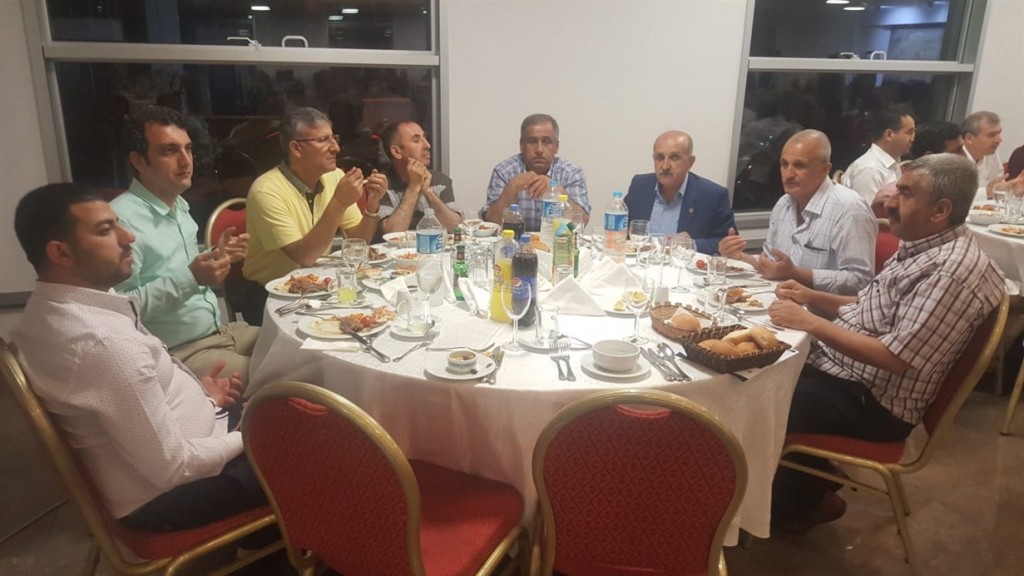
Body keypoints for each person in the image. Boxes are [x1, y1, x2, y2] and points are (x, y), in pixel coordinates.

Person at [766, 154, 1005, 532]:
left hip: (873, 402)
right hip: (849, 375)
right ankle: (806, 482)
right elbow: (869, 305)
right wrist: (811, 298)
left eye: (905, 194)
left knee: (763, 395)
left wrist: (809, 322)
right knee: (762, 365)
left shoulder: (950, 271)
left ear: (940, 210)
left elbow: (895, 357)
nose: (889, 201)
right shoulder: (924, 246)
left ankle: (792, 505)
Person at [11, 183, 269, 533]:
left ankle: (268, 534)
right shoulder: (100, 343)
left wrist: (204, 400)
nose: (128, 236)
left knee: (287, 411)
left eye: (118, 224)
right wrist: (250, 430)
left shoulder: (49, 308)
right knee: (315, 443)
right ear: (61, 253)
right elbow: (173, 468)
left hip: (186, 448)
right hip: (169, 496)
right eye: (106, 230)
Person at [111, 106, 259, 382]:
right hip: (178, 352)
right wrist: (192, 278)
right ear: (139, 161)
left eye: (188, 149)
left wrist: (217, 255)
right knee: (286, 374)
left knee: (302, 349)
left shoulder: (178, 204)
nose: (185, 161)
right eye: (169, 151)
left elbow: (175, 268)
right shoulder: (121, 221)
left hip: (221, 332)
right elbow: (119, 309)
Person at [242, 107, 387, 323]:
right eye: (323, 140)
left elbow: (359, 242)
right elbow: (304, 257)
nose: (336, 148)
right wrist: (339, 202)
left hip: (318, 287)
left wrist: (372, 204)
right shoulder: (266, 190)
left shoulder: (334, 176)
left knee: (368, 317)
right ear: (296, 148)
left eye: (334, 138)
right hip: (271, 296)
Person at [719, 130, 876, 295]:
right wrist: (739, 257)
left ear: (824, 169)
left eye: (799, 166)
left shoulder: (850, 210)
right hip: (778, 299)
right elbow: (772, 264)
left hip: (822, 309)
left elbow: (861, 281)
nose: (788, 174)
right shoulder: (783, 204)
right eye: (784, 164)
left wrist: (795, 273)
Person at [624, 130, 736, 255]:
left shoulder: (713, 195)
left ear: (690, 162)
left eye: (674, 157)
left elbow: (728, 244)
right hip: (640, 263)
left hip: (684, 265)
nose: (665, 166)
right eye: (660, 158)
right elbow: (619, 229)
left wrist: (692, 244)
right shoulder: (640, 186)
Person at [482, 113, 591, 231]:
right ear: (521, 145)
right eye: (532, 141)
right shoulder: (504, 171)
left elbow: (581, 223)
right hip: (515, 241)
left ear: (556, 146)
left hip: (557, 240)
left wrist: (558, 191)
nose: (539, 149)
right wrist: (512, 188)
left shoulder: (571, 173)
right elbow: (492, 223)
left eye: (546, 142)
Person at [377, 121, 462, 240]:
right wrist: (414, 188)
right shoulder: (381, 184)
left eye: (425, 138)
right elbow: (392, 234)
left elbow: (456, 228)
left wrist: (428, 192)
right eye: (416, 140)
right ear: (396, 151)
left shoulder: (440, 180)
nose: (427, 145)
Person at [842, 107, 916, 206]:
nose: (912, 139)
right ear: (889, 134)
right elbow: (865, 212)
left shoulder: (894, 162)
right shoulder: (870, 168)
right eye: (909, 132)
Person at [961, 111, 1005, 197]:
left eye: (999, 133)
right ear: (969, 138)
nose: (999, 140)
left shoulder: (992, 155)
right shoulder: (953, 159)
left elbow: (997, 188)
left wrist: (1011, 188)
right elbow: (954, 198)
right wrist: (986, 192)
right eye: (991, 135)